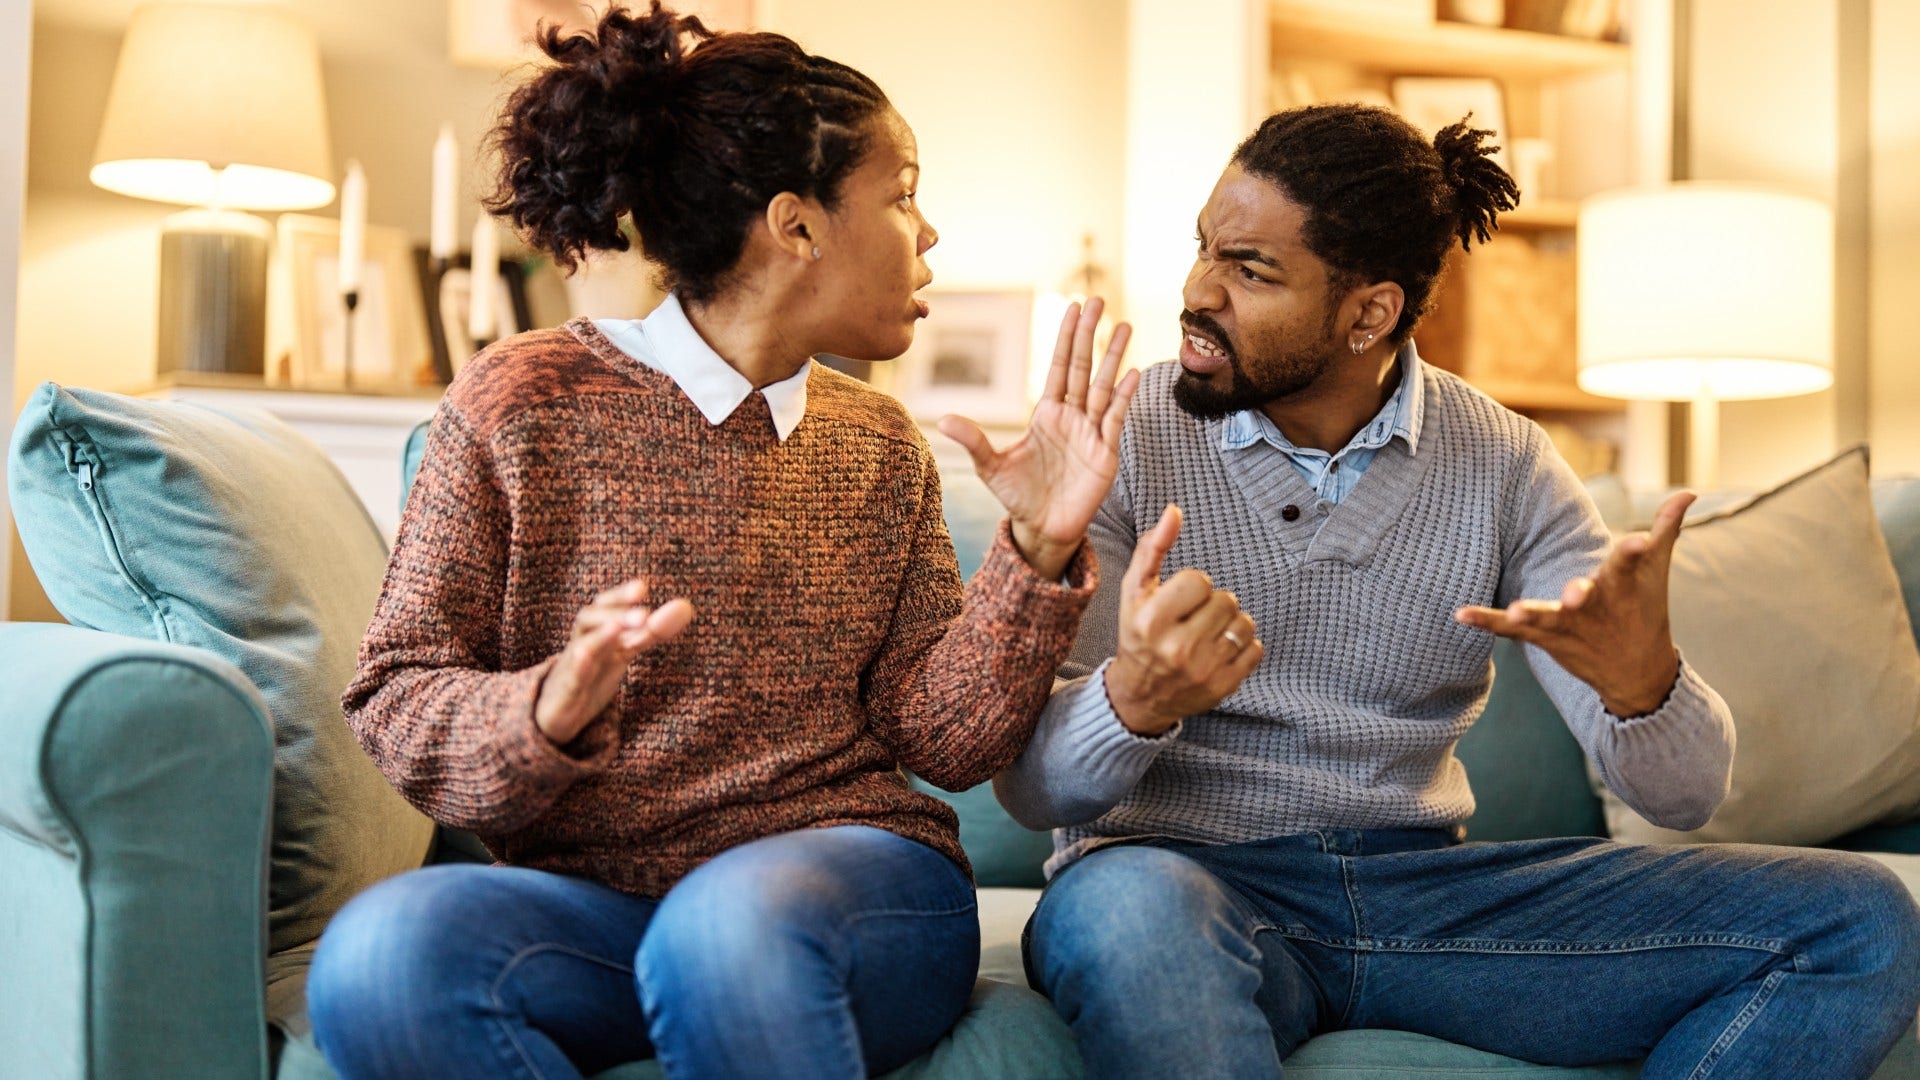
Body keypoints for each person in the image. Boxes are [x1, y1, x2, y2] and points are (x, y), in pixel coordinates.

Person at [996, 103, 1920, 1078]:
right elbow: (1032, 789)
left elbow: (1685, 798)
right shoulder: (1122, 435)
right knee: (1131, 913)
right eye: (1205, 250)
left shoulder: (1507, 461)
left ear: (1370, 313)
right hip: (1177, 882)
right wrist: (1132, 703)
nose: (1197, 290)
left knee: (1860, 920)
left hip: (1424, 897)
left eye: (1250, 269)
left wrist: (1645, 689)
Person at [304, 5, 1141, 1078]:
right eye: (902, 195)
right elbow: (396, 692)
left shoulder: (878, 443)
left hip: (854, 896)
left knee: (730, 927)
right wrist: (543, 710)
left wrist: (1033, 553)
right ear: (796, 226)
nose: (927, 234)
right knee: (384, 955)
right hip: (598, 913)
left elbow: (941, 742)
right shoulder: (517, 404)